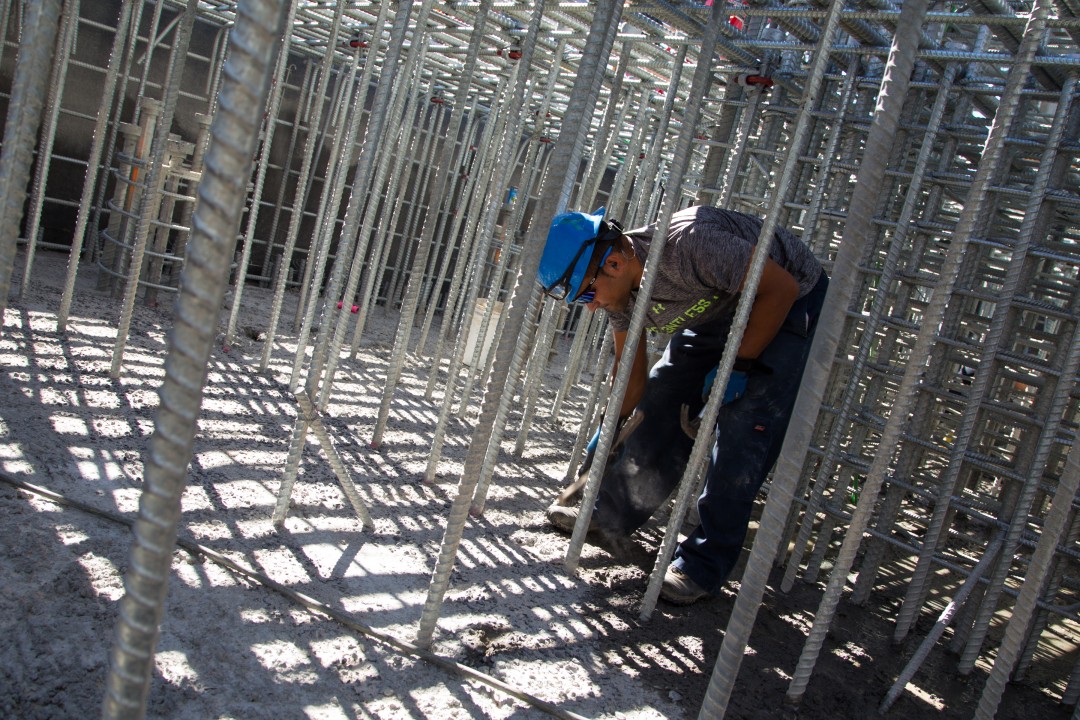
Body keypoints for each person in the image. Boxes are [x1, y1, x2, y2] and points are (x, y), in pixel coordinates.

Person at [537, 204, 828, 605]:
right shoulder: (620, 296)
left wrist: (740, 364)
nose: (589, 306)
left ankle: (701, 566)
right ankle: (610, 514)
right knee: (662, 395)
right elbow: (631, 376)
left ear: (616, 263)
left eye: (587, 292)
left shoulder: (691, 246)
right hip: (717, 302)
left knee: (744, 429)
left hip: (785, 298)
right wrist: (610, 430)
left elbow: (781, 290)